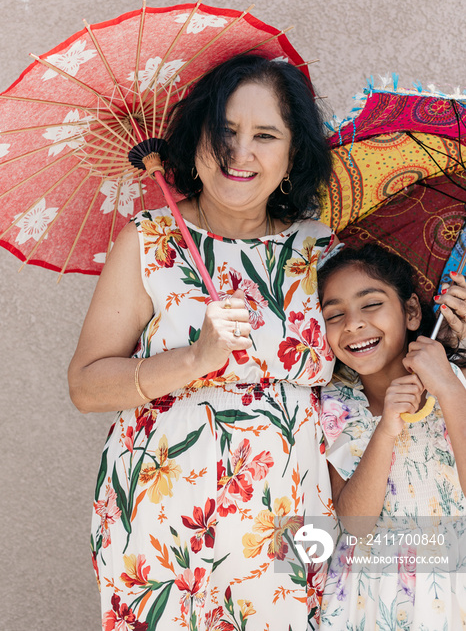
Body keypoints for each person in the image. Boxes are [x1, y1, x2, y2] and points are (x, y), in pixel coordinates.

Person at [68, 54, 339, 631]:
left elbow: (376, 359)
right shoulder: (149, 240)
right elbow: (87, 385)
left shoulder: (322, 250)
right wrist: (194, 359)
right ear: (195, 143)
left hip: (287, 525)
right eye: (225, 132)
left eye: (266, 136)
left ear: (292, 157)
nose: (241, 153)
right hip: (163, 522)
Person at [316, 244, 466, 630]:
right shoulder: (337, 403)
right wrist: (385, 429)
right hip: (373, 597)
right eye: (335, 314)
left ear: (412, 311)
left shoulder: (457, 384)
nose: (353, 323)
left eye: (370, 304)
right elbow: (355, 523)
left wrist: (448, 389)